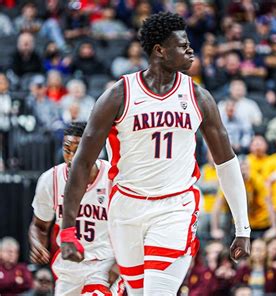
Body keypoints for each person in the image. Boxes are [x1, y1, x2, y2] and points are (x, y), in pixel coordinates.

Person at [60, 12, 251, 295]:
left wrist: (242, 228)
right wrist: (67, 230)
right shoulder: (119, 95)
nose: (190, 50)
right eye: (182, 44)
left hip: (176, 207)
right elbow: (83, 162)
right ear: (160, 50)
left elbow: (226, 162)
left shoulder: (198, 97)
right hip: (126, 207)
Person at [29, 122, 118, 295]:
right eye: (67, 149)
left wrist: (119, 265)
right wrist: (37, 244)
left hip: (104, 264)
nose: (71, 157)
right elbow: (39, 225)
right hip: (69, 268)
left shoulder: (112, 177)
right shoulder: (50, 180)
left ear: (94, 149)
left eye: (77, 150)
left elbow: (130, 228)